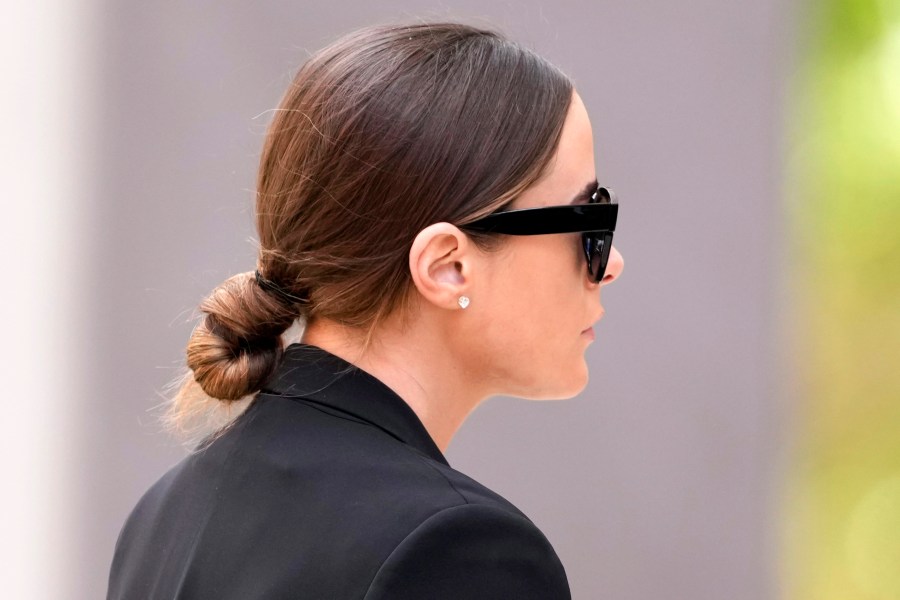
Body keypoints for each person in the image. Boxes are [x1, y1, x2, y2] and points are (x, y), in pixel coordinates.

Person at [107, 21, 624, 600]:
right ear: (447, 265)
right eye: (591, 222)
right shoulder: (460, 552)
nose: (611, 264)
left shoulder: (164, 516)